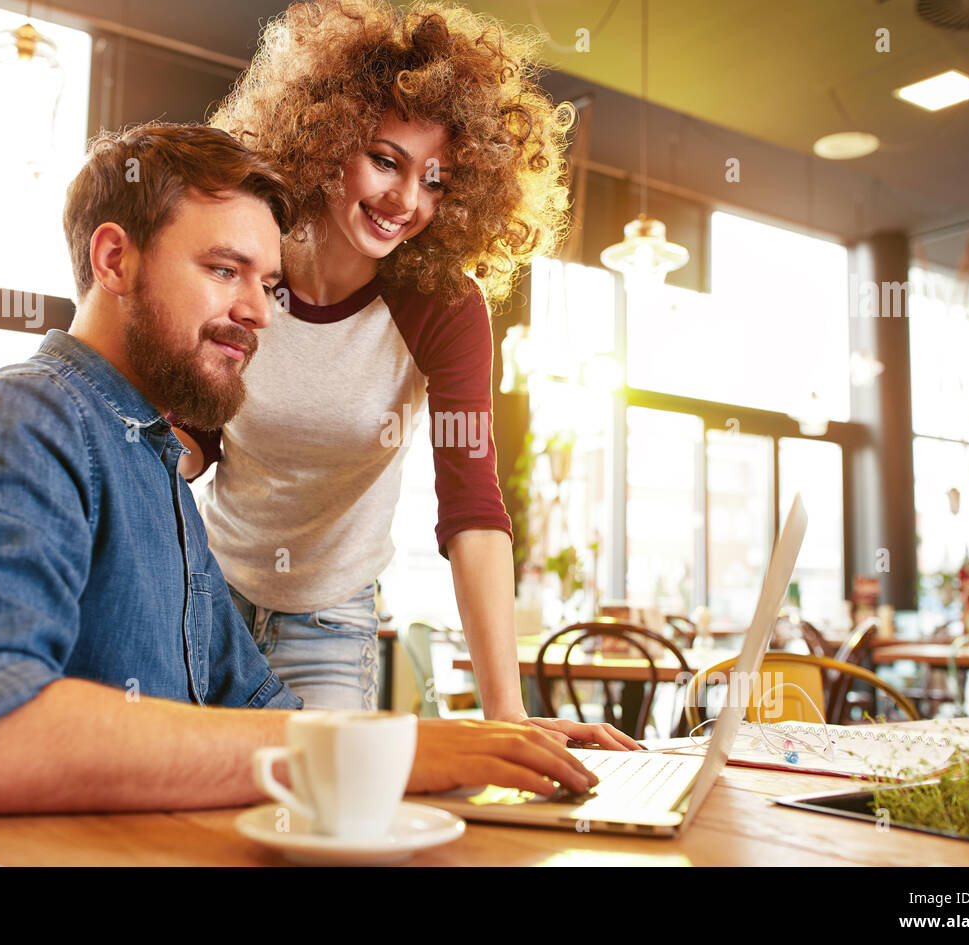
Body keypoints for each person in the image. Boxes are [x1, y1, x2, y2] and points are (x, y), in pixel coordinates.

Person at [0, 121, 600, 816]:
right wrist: (401, 750)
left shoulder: (155, 468)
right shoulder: (26, 423)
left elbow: (265, 717)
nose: (263, 313)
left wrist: (482, 752)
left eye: (266, 285)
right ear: (114, 260)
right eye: (224, 270)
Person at [181, 0, 638, 749]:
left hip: (330, 618)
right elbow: (199, 435)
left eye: (437, 180)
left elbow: (472, 505)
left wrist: (507, 720)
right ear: (324, 138)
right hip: (207, 593)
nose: (406, 202)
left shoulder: (443, 309)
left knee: (322, 827)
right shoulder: (256, 263)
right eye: (386, 161)